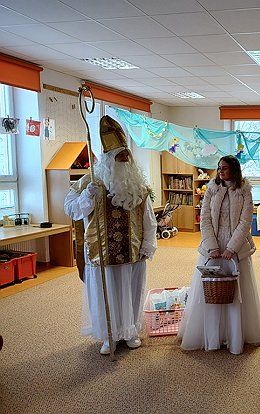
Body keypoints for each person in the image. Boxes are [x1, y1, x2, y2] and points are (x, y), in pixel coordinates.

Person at [64, 115, 157, 355]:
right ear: (108, 159)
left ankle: (130, 331)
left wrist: (148, 244)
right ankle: (108, 335)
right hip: (102, 252)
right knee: (106, 293)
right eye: (119, 156)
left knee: (131, 291)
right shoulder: (89, 183)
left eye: (126, 155)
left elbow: (148, 219)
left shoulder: (138, 186)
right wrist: (88, 196)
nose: (124, 160)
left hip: (133, 250)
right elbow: (72, 210)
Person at [178, 155, 260, 355]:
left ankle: (234, 337)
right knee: (211, 291)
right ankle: (213, 337)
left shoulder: (244, 190)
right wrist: (212, 247)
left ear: (234, 169)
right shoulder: (212, 188)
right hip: (214, 246)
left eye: (224, 168)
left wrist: (231, 248)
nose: (220, 171)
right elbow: (205, 219)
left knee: (235, 293)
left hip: (236, 248)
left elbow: (245, 222)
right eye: (219, 168)